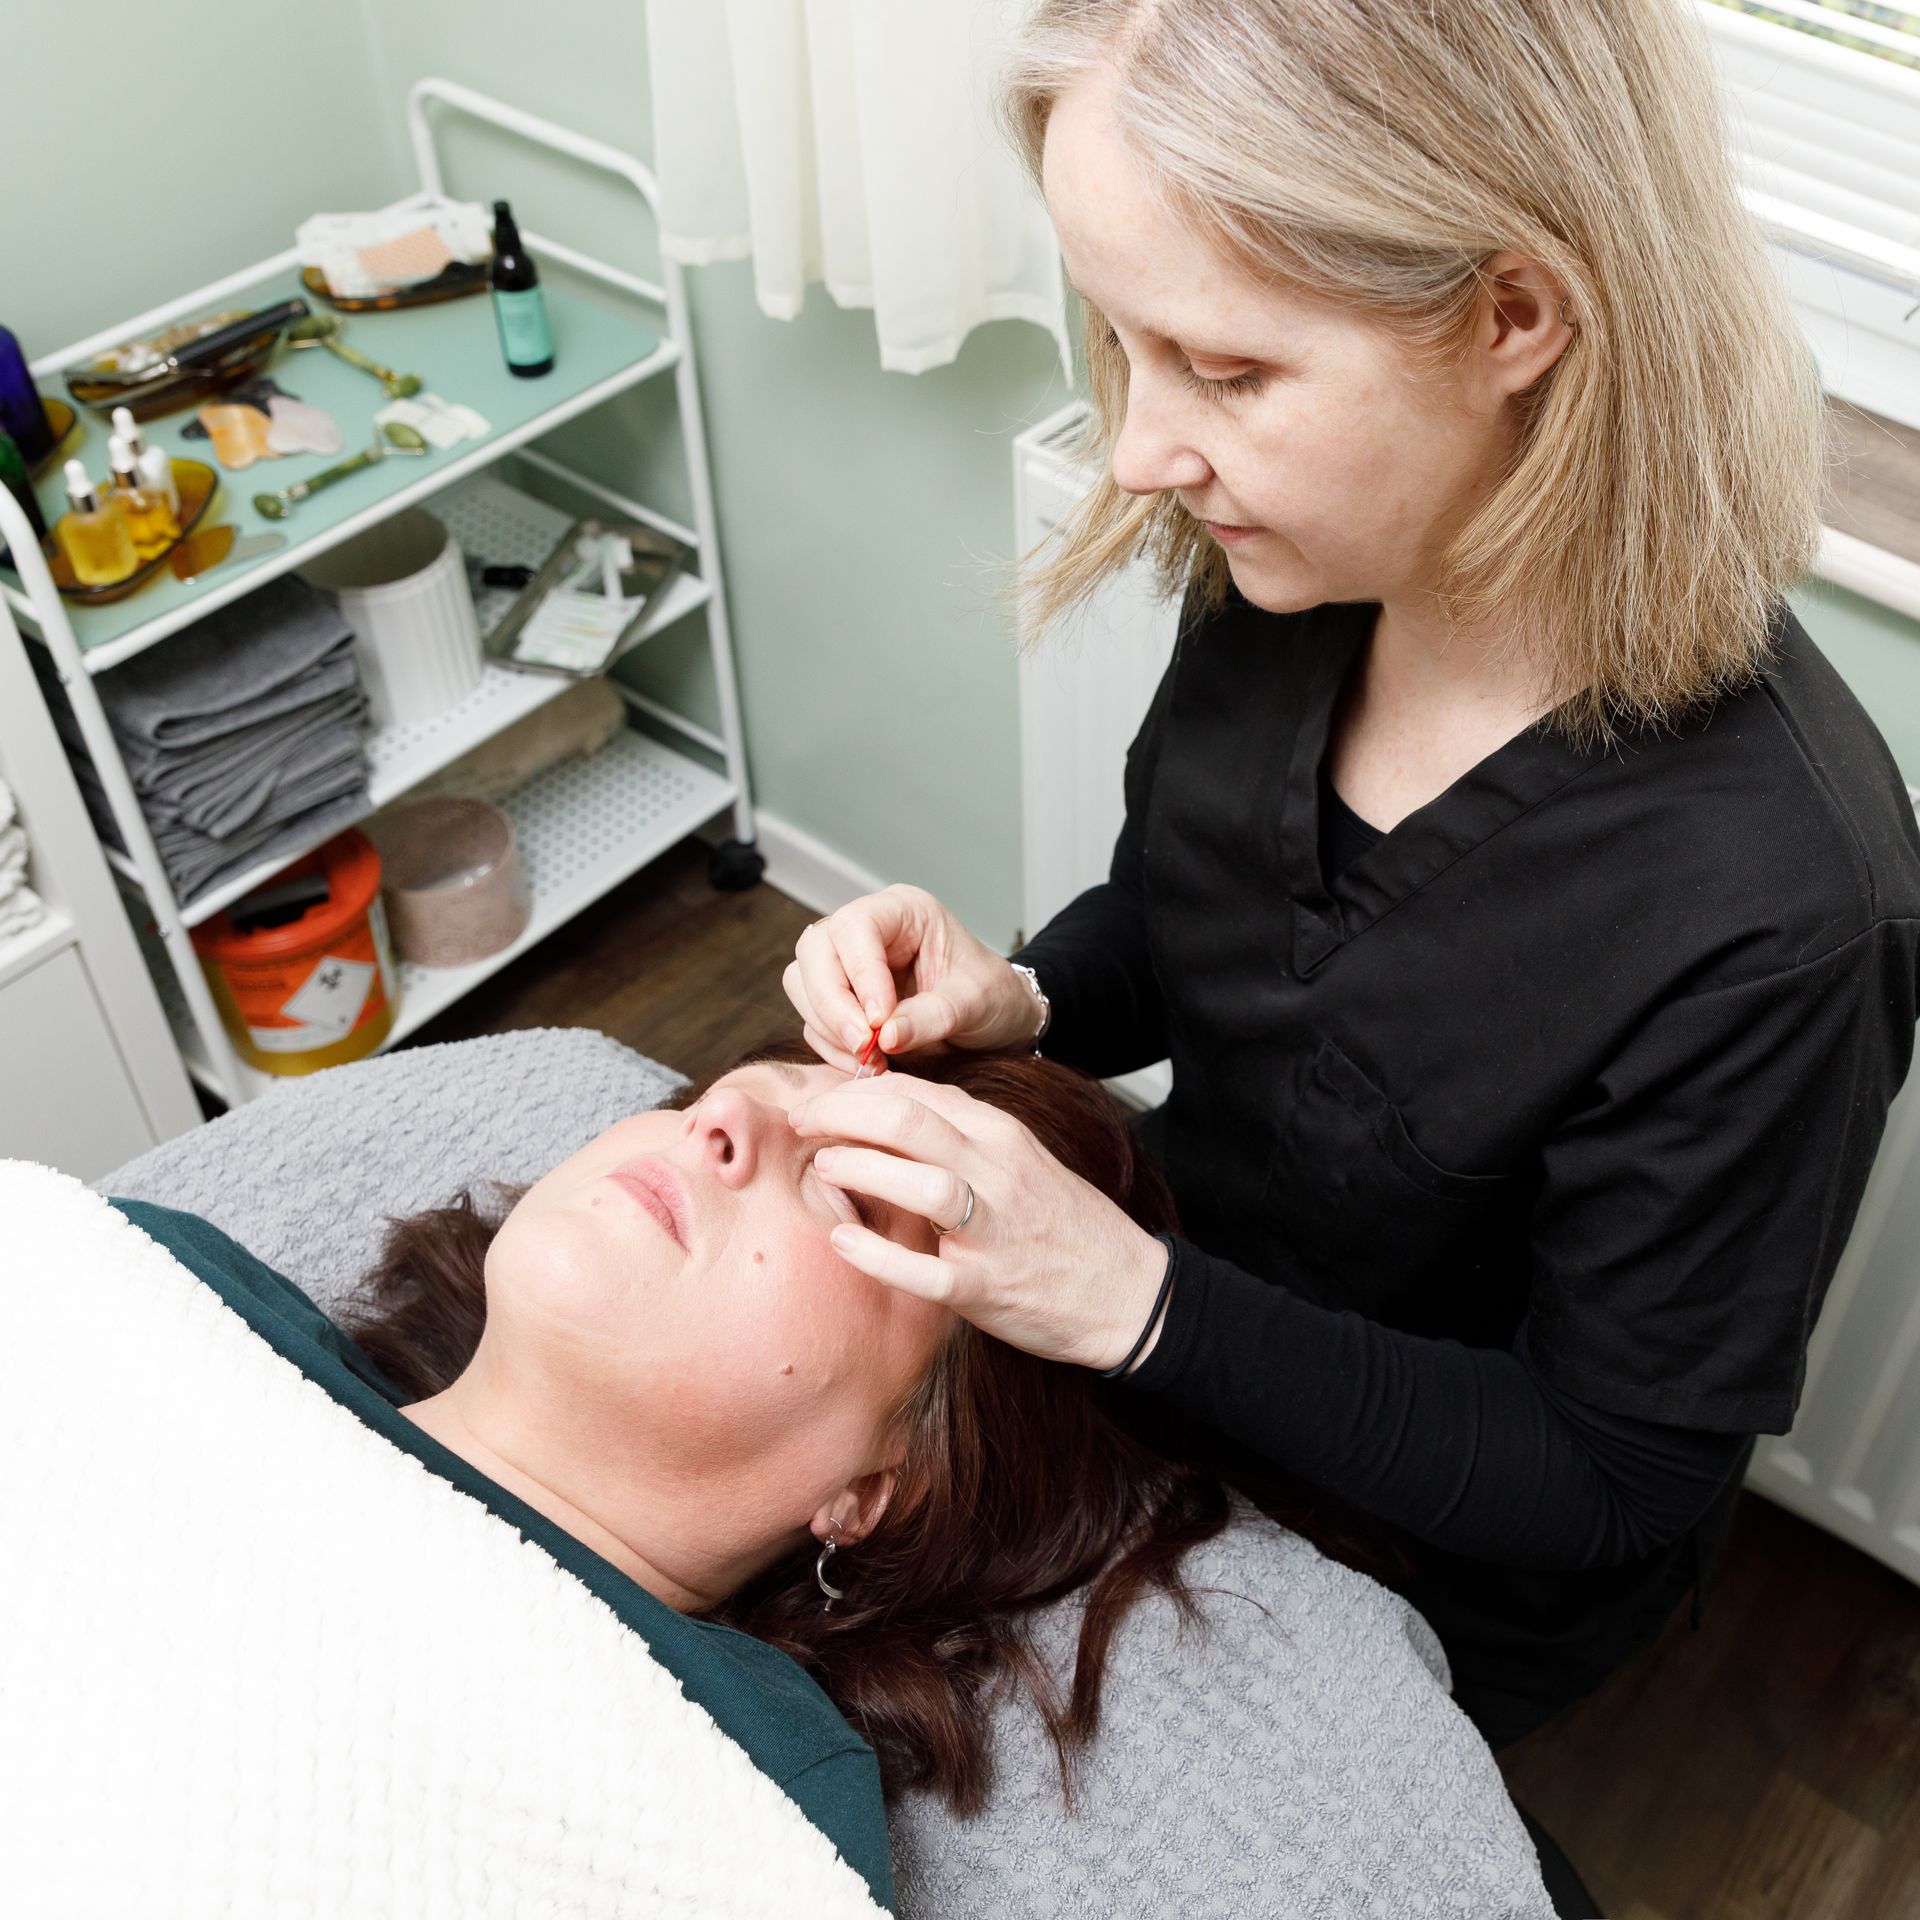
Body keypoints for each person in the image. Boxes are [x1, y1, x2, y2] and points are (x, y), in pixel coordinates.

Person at [780, 0, 1920, 1757]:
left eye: (1228, 369)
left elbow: (1607, 1477)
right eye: (1120, 339)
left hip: (1434, 1553)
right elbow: (1192, 924)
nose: (1148, 446)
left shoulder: (1778, 913)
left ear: (1515, 315)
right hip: (1173, 1371)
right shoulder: (1292, 565)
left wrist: (1130, 1304)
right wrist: (1030, 996)